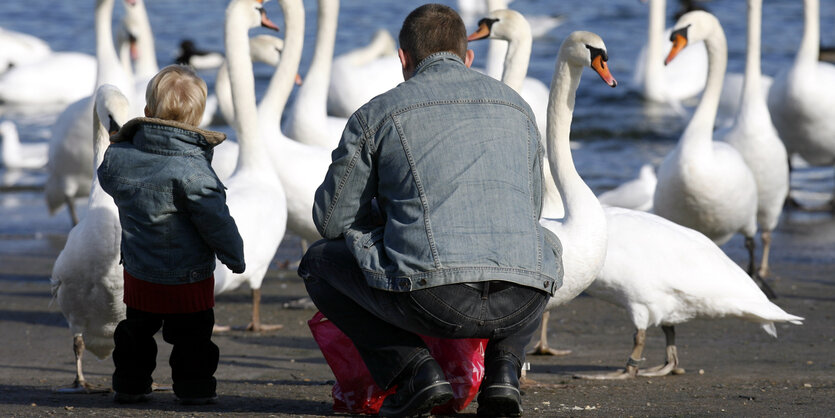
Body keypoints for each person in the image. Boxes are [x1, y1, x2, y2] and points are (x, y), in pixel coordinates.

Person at [298, 4, 563, 417]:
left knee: (318, 262)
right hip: (522, 302)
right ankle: (504, 372)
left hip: (434, 298)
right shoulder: (520, 109)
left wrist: (384, 220)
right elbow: (531, 211)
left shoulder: (377, 114)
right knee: (537, 247)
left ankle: (415, 373)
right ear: (468, 57)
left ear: (403, 59)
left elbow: (331, 221)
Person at [97, 64, 245, 405]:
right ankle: (194, 389)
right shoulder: (194, 171)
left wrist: (124, 142)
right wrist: (234, 256)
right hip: (188, 278)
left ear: (148, 112)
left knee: (135, 331)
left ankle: (130, 385)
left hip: (139, 271)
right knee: (193, 337)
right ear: (198, 119)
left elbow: (107, 178)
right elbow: (216, 222)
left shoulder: (119, 157)